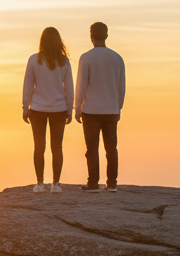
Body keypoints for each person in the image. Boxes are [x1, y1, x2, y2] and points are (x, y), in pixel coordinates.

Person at [75, 21, 126, 192]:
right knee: (111, 148)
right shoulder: (117, 58)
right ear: (106, 36)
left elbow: (81, 85)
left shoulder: (86, 57)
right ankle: (111, 183)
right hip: (111, 109)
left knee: (92, 148)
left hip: (91, 110)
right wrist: (118, 106)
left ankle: (93, 183)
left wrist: (77, 108)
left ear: (91, 37)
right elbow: (121, 86)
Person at [22, 27, 74, 193]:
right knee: (57, 147)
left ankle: (39, 183)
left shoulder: (34, 60)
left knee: (39, 146)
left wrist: (25, 106)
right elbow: (69, 88)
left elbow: (28, 85)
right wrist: (69, 108)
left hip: (37, 108)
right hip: (59, 108)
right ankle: (56, 184)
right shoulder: (64, 61)